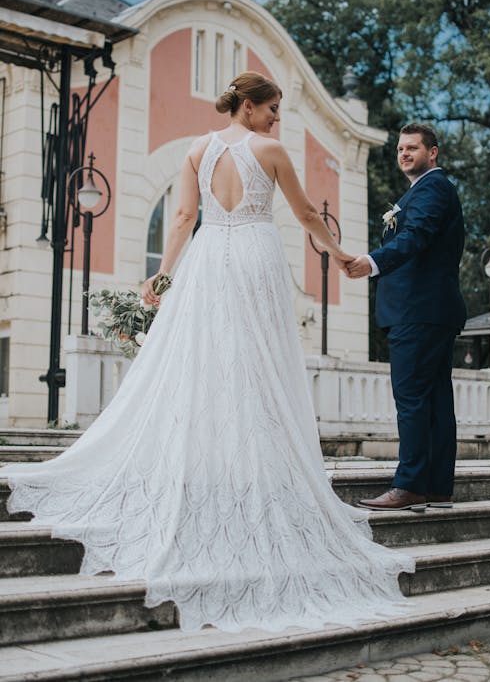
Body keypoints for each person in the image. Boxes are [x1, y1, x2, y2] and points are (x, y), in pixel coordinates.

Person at [3, 72, 414, 633]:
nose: (277, 118)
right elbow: (305, 215)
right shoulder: (269, 151)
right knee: (257, 366)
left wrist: (164, 275)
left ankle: (220, 468)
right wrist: (341, 254)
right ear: (247, 106)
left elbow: (182, 218)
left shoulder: (197, 149)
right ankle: (247, 472)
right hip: (254, 257)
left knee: (207, 364)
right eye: (272, 108)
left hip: (206, 260)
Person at [347, 123, 466, 511]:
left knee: (413, 399)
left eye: (413, 148)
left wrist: (372, 261)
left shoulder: (433, 189)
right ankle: (437, 487)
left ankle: (410, 484)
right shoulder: (420, 192)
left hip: (419, 311)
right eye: (400, 148)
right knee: (433, 400)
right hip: (430, 311)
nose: (404, 154)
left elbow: (414, 237)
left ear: (433, 152)